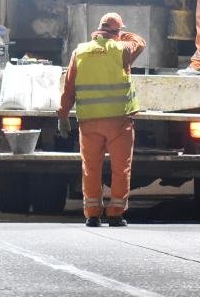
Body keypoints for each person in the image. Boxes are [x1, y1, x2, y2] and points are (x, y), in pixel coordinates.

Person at [57, 12, 145, 227]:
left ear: (97, 32)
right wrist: (120, 36)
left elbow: (69, 87)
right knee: (120, 168)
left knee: (91, 168)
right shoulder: (122, 49)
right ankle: (116, 213)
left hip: (89, 122)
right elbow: (139, 42)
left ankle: (93, 214)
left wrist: (63, 114)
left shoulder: (80, 52)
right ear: (117, 32)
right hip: (118, 121)